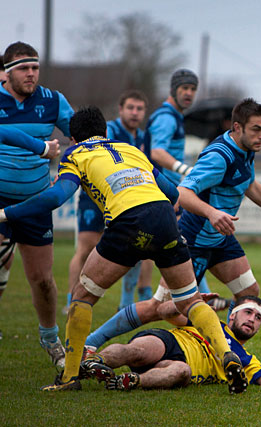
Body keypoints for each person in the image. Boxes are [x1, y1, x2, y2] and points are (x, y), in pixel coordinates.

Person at [0, 106, 247, 394]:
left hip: (128, 222)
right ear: (105, 133)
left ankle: (68, 377)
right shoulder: (131, 150)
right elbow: (171, 191)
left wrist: (5, 214)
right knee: (190, 301)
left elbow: (57, 195)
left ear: (72, 139)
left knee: (82, 297)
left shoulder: (76, 154)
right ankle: (225, 354)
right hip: (165, 219)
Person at [84, 97, 261, 351]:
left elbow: (250, 185)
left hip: (220, 238)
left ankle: (229, 352)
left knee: (249, 295)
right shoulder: (218, 157)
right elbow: (183, 192)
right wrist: (213, 213)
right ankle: (91, 342)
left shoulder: (246, 152)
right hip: (193, 240)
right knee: (159, 308)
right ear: (237, 128)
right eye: (256, 129)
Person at [0, 41, 74, 367]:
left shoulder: (53, 101)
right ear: (6, 72)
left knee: (43, 280)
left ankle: (50, 338)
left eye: (35, 67)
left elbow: (83, 137)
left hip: (35, 202)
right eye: (24, 68)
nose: (31, 74)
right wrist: (41, 147)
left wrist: (71, 169)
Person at [80, 295, 261, 391]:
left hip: (179, 366)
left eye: (258, 318)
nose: (252, 319)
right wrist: (192, 302)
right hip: (172, 343)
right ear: (232, 315)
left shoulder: (245, 359)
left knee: (181, 371)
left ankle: (129, 382)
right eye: (248, 312)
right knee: (140, 350)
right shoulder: (210, 321)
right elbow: (164, 311)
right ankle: (93, 363)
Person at [64, 90, 153, 316]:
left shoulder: (143, 137)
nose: (134, 113)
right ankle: (71, 299)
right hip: (94, 198)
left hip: (124, 199)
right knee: (85, 249)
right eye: (130, 108)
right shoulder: (108, 131)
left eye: (139, 108)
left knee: (138, 247)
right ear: (120, 109)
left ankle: (127, 302)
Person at [146, 68, 210, 294]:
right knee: (183, 246)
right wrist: (186, 170)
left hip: (166, 191)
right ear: (174, 90)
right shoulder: (166, 117)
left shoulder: (174, 116)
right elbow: (157, 152)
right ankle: (200, 296)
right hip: (162, 192)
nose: (189, 93)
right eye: (184, 88)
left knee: (168, 248)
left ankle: (200, 295)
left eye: (193, 89)